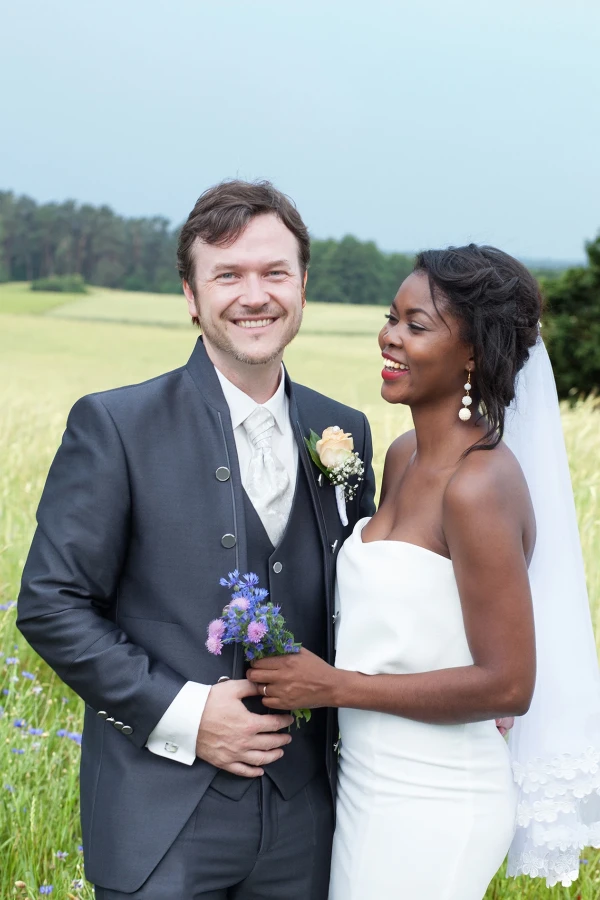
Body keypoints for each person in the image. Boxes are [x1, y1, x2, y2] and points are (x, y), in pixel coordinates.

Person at [16, 179, 376, 899]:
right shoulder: (115, 426)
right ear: (190, 295)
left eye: (275, 272)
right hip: (161, 823)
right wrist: (185, 715)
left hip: (310, 818)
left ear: (303, 283)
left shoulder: (345, 432)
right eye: (228, 275)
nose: (255, 295)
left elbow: (369, 598)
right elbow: (51, 604)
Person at [249, 244, 600, 898]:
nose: (389, 336)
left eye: (416, 325)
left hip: (436, 798)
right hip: (368, 787)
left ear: (473, 352)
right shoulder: (404, 456)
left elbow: (507, 686)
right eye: (391, 317)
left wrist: (335, 687)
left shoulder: (479, 486)